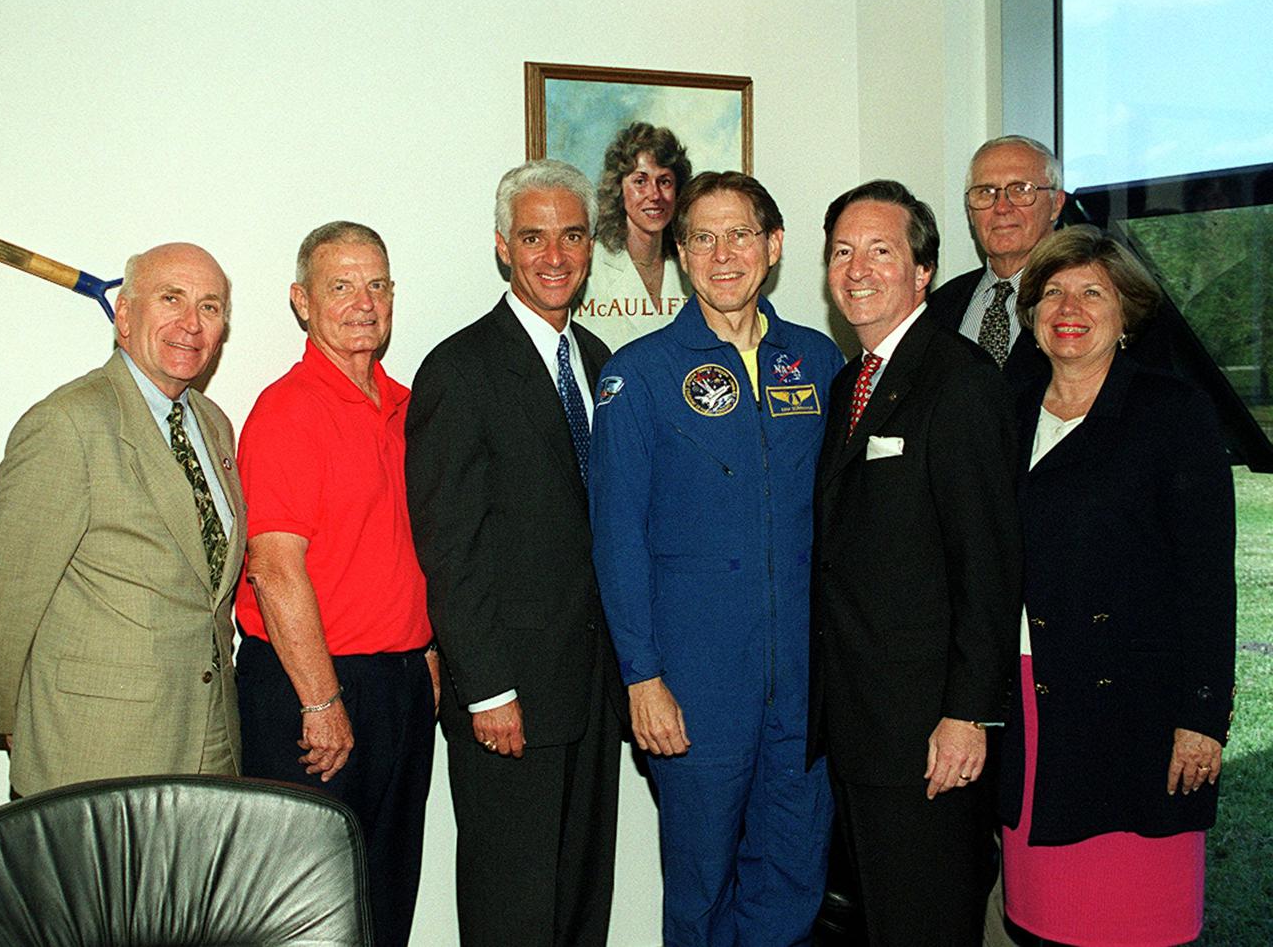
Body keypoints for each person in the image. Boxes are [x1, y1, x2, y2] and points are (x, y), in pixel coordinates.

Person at [591, 170, 841, 946]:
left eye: (740, 235)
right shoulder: (639, 376)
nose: (722, 253)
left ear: (773, 248)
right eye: (702, 236)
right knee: (700, 888)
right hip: (695, 690)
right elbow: (617, 539)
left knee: (794, 877)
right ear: (681, 250)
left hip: (804, 686)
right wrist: (642, 678)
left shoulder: (820, 362)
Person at [406, 159, 623, 947]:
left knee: (579, 905)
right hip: (511, 700)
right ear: (504, 247)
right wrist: (488, 688)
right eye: (534, 237)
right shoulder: (459, 369)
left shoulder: (602, 362)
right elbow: (450, 549)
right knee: (513, 911)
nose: (555, 255)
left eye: (571, 235)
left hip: (596, 691)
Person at [1000, 225, 1235, 946]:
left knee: (1138, 921)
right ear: (1033, 312)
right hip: (1028, 700)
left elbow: (1206, 577)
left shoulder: (1173, 412)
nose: (1069, 306)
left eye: (1092, 291)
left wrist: (1203, 713)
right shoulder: (1006, 410)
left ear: (1126, 312)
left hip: (1137, 712)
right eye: (1053, 292)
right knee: (1042, 923)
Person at [808, 180, 1021, 946]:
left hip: (929, 735)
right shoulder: (847, 385)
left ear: (922, 270)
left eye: (881, 250)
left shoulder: (959, 382)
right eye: (841, 251)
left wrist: (967, 713)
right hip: (863, 727)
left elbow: (990, 568)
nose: (857, 268)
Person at [233, 221, 438, 947]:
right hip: (308, 689)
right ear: (302, 301)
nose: (363, 302)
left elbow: (408, 551)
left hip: (399, 686)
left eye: (377, 284)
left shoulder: (407, 405)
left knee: (384, 900)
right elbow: (275, 566)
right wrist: (321, 700)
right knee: (305, 911)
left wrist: (427, 655)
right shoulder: (287, 411)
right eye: (341, 286)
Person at [0, 243, 244, 797]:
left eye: (210, 306)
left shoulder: (214, 425)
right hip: (93, 750)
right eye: (170, 298)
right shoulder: (67, 424)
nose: (190, 323)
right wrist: (15, 727)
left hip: (210, 746)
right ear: (124, 315)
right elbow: (6, 596)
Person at [928, 135, 1064, 391]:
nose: (1002, 207)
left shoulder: (1090, 305)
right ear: (970, 210)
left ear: (1056, 205)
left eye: (1021, 190)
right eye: (985, 192)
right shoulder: (938, 308)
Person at [578, 121, 693, 350]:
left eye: (665, 181)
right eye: (640, 181)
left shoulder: (691, 262)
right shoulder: (590, 264)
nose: (654, 194)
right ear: (619, 189)